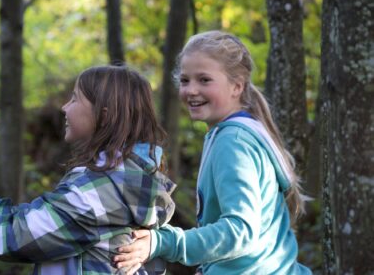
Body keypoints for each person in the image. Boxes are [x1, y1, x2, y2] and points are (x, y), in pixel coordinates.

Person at [0, 65, 176, 275]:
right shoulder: (125, 182)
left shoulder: (98, 193)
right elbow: (31, 219)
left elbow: (15, 237)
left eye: (75, 99)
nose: (64, 107)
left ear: (103, 116)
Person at [115, 31, 312, 274]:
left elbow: (240, 230)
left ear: (237, 86)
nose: (191, 90)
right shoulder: (234, 133)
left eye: (204, 80)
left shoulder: (233, 142)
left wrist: (163, 242)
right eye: (185, 80)